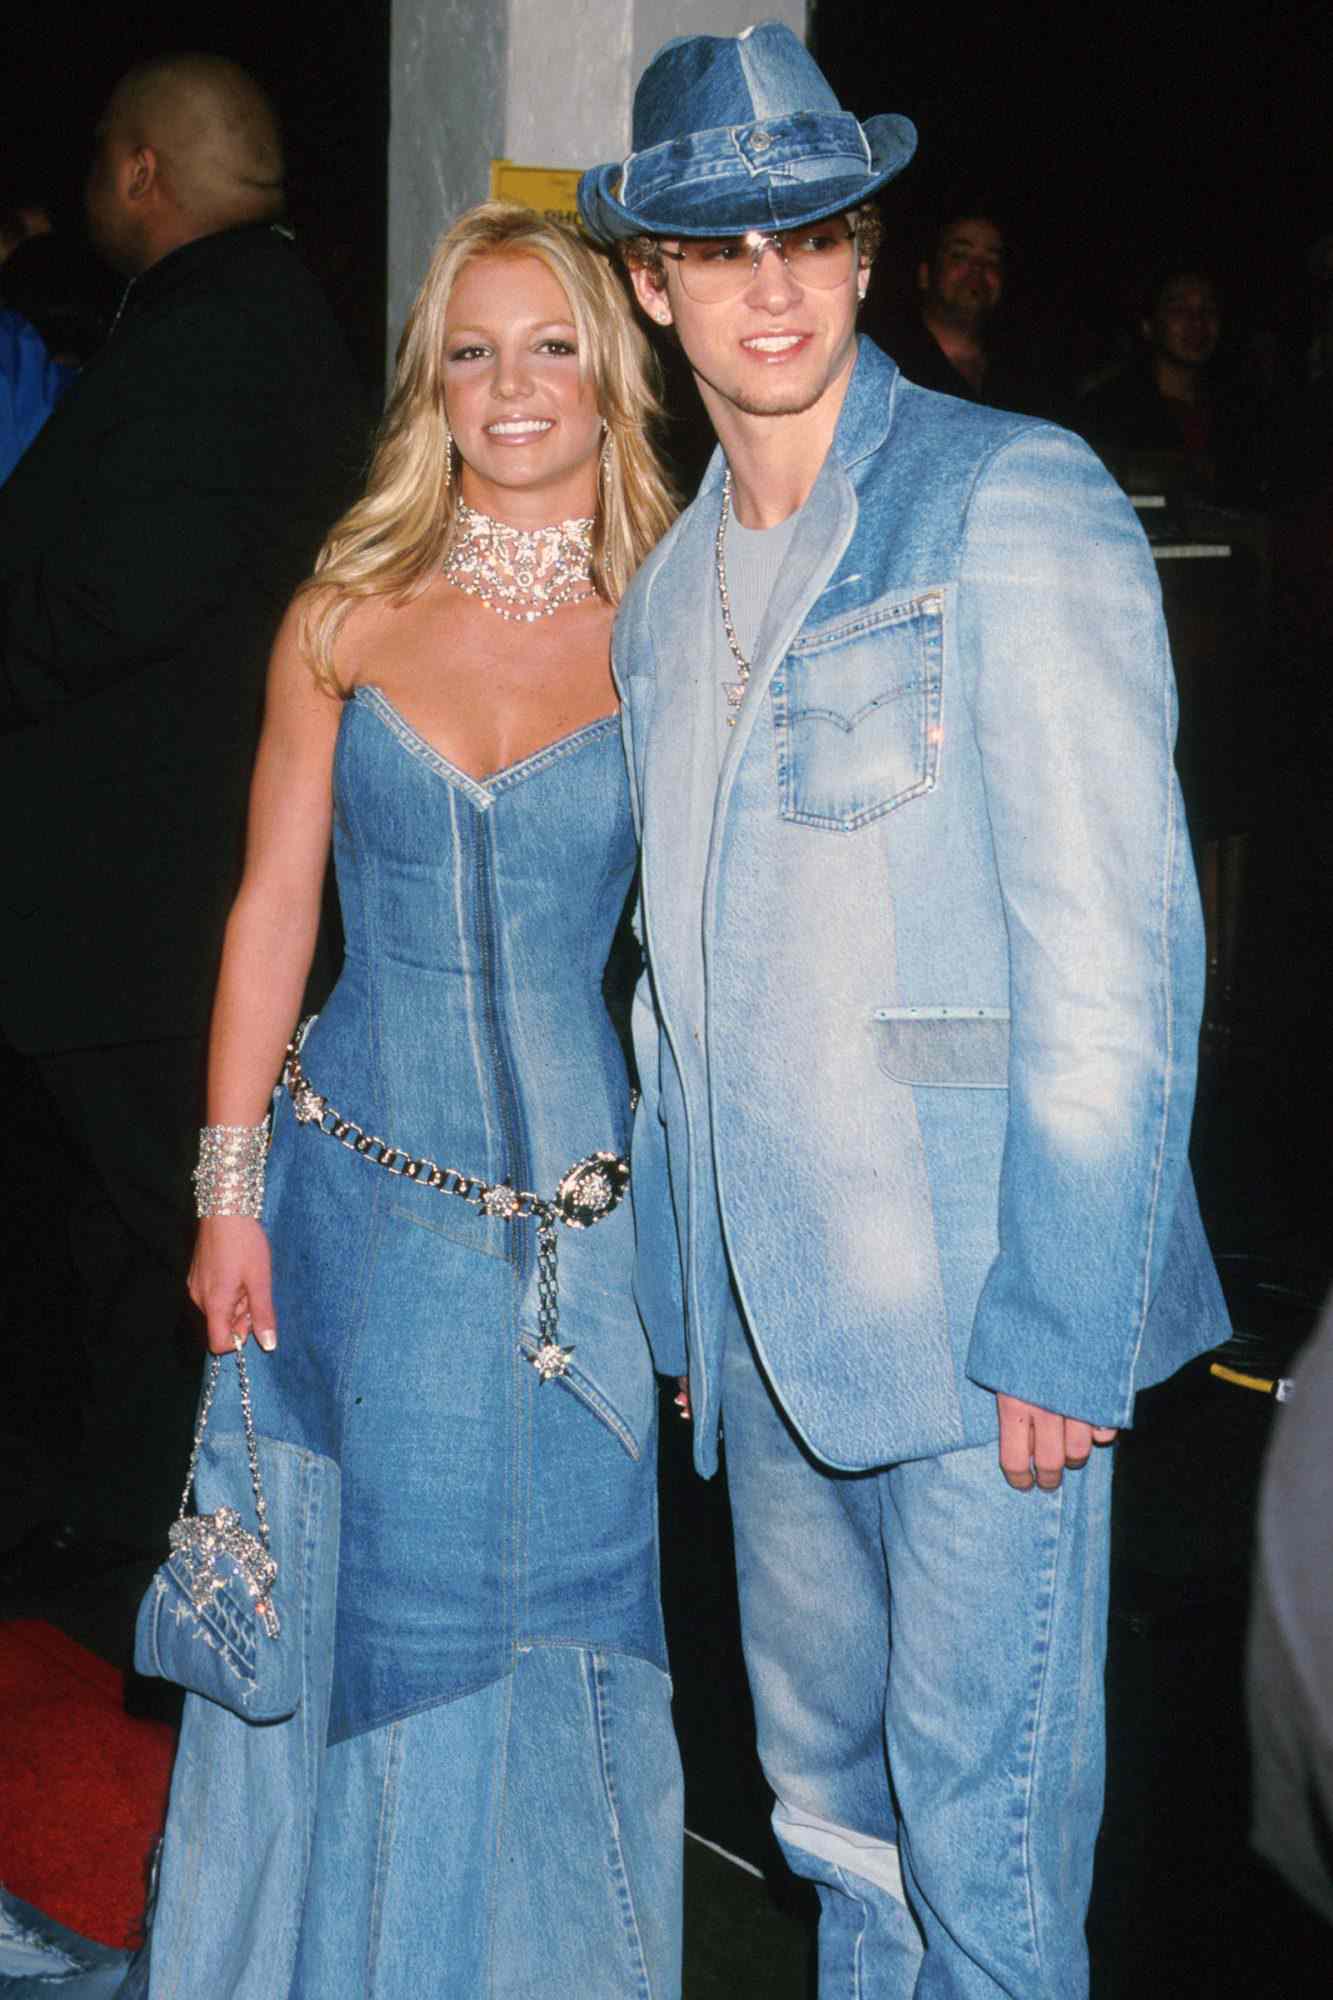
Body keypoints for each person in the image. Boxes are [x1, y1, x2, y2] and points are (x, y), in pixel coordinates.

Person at [578, 23, 1228, 1999]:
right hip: (768, 1338)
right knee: (830, 1825)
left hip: (978, 1326)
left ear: (861, 253)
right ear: (652, 286)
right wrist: (687, 1299)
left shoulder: (1005, 493)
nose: (768, 282)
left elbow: (1115, 953)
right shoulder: (658, 601)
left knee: (985, 1860)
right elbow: (675, 987)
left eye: (808, 235)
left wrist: (1066, 1314)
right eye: (719, 247)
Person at [135, 201, 682, 2000]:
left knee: (573, 1609)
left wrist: (700, 1252)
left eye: (549, 347)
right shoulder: (342, 618)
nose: (511, 386)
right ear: (428, 387)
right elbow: (270, 914)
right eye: (470, 351)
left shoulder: (681, 628)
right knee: (382, 1608)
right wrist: (226, 1193)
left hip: (583, 1224)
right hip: (355, 1200)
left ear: (608, 377)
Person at [0, 54, 368, 1571]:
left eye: (104, 152)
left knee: (189, 1252)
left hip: (150, 920)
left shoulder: (224, 328)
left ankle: (227, 1565)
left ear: (143, 169)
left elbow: (116, 595)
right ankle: (127, 1550)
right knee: (126, 1258)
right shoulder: (235, 314)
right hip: (145, 915)